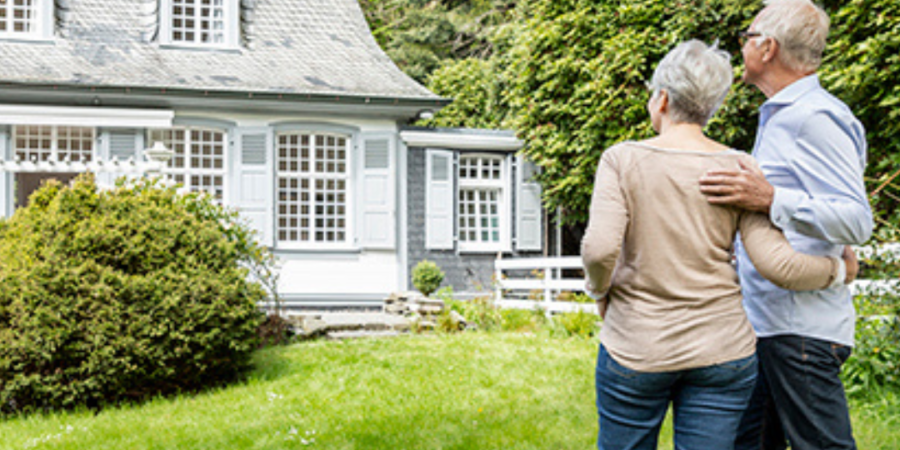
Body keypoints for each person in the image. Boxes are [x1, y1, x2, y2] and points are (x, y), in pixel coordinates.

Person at [581, 39, 857, 450]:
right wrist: (840, 270)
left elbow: (600, 250)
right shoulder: (740, 168)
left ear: (662, 100)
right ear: (711, 106)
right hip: (721, 351)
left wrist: (600, 290)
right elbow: (777, 264)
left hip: (637, 345)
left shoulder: (622, 160)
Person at [698, 1, 872, 448]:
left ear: (768, 47)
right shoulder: (782, 114)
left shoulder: (813, 118)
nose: (742, 48)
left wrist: (771, 198)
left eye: (747, 37)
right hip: (768, 327)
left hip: (801, 333)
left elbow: (856, 220)